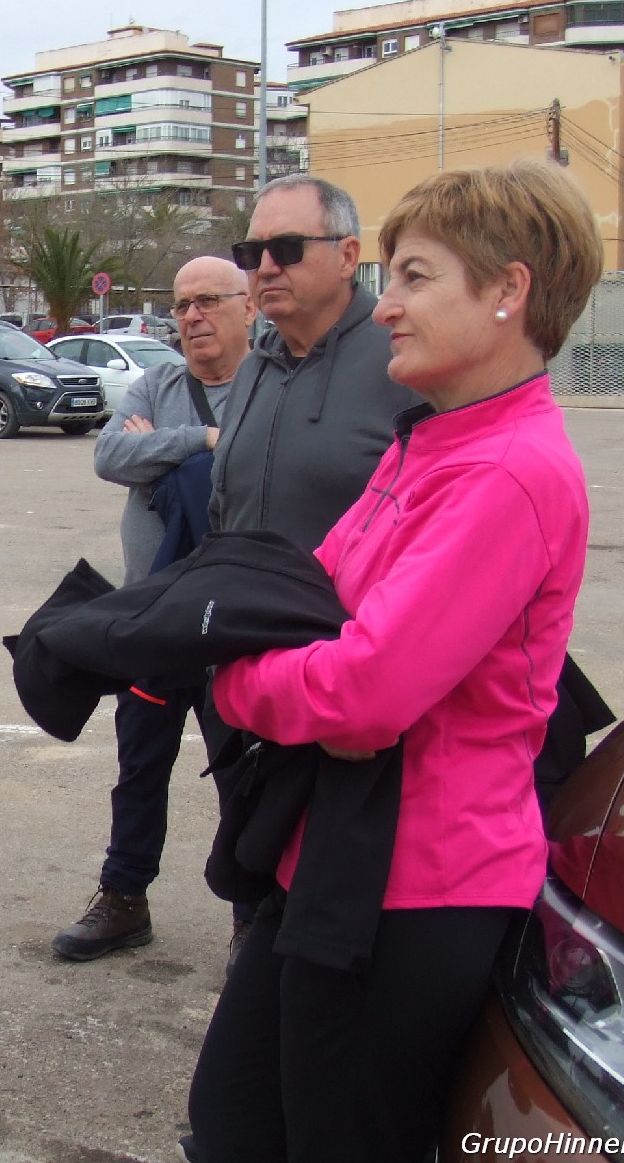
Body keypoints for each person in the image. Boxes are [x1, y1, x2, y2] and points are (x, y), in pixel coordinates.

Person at [186, 161, 604, 1163]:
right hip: (332, 851)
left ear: (507, 291)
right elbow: (305, 595)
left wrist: (227, 678)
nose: (385, 309)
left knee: (334, 1137)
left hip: (417, 885)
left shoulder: (507, 472)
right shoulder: (430, 442)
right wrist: (253, 645)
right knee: (233, 1120)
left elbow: (363, 690)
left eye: (414, 277)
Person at [202, 175, 422, 963]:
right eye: (252, 251)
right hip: (245, 667)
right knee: (248, 841)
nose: (264, 267)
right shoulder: (256, 366)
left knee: (329, 899)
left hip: (343, 687)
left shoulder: (401, 363)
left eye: (287, 249)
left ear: (347, 256)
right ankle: (250, 943)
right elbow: (226, 507)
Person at [51, 257, 255, 960]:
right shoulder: (158, 383)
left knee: (242, 774)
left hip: (232, 624)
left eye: (208, 301)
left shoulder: (268, 387)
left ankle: (250, 919)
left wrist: (160, 450)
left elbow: (257, 469)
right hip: (153, 619)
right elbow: (110, 456)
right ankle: (123, 899)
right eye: (181, 304)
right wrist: (199, 441)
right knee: (139, 765)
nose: (192, 316)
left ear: (249, 306)